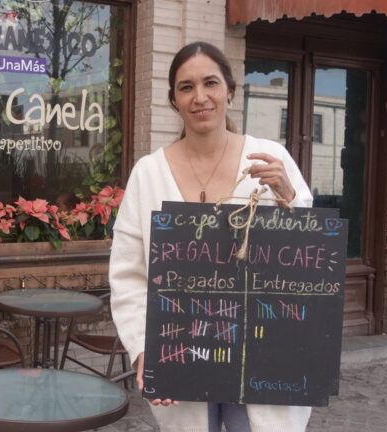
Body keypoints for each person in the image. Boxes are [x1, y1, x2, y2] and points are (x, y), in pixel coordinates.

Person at [108, 41, 314, 432]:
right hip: (183, 353)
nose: (199, 97)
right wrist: (143, 349)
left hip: (263, 352)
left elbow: (309, 261)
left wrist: (287, 195)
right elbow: (129, 274)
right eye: (186, 87)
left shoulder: (269, 158)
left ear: (230, 91)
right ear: (173, 99)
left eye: (210, 83)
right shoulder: (148, 173)